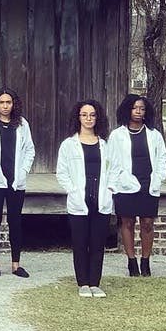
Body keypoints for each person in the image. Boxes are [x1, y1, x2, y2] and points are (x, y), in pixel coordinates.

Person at [56, 100, 113, 298]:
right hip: (79, 199)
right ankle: (83, 283)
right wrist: (72, 190)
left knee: (97, 243)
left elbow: (115, 169)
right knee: (80, 242)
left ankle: (95, 283)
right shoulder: (69, 145)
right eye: (84, 115)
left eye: (92, 115)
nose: (88, 119)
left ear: (98, 118)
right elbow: (61, 172)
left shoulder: (106, 145)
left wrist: (111, 188)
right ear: (78, 117)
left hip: (101, 198)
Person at [107, 94, 166, 277]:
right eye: (135, 108)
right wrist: (113, 183)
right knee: (127, 221)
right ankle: (132, 262)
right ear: (128, 110)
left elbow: (163, 158)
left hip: (148, 183)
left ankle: (146, 261)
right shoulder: (117, 135)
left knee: (147, 223)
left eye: (142, 108)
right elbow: (110, 160)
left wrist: (159, 177)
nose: (138, 112)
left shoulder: (153, 134)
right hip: (125, 183)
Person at [0, 87, 36, 278]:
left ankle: (15, 264)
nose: (5, 106)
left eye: (8, 102)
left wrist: (24, 171)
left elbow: (29, 150)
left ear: (14, 104)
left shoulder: (21, 124)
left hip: (16, 181)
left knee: (15, 221)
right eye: (1, 102)